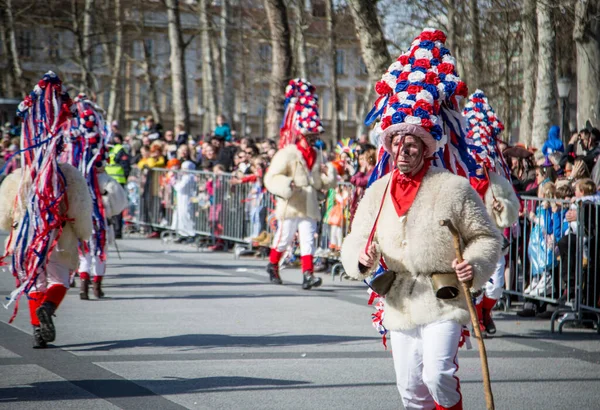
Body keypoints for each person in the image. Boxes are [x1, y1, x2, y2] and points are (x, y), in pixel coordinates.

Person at [341, 30, 501, 409]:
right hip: (398, 298)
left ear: (428, 147)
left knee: (437, 375)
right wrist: (359, 260)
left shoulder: (452, 187)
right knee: (411, 389)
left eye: (413, 142)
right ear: (389, 146)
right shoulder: (377, 191)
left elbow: (487, 238)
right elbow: (354, 239)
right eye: (397, 142)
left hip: (443, 296)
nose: (404, 149)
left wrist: (474, 266)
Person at [0, 72, 93, 348]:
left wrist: (14, 228)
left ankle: (38, 330)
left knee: (34, 281)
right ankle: (48, 311)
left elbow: (4, 215)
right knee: (59, 280)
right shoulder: (69, 175)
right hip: (59, 236)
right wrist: (82, 233)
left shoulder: (18, 176)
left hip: (26, 237)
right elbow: (80, 210)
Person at [264, 78, 337, 289]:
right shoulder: (287, 153)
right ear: (302, 134)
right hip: (291, 203)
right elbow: (270, 178)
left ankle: (308, 275)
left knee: (308, 239)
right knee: (284, 237)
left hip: (309, 202)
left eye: (316, 134)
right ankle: (273, 265)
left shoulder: (316, 154)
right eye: (311, 135)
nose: (315, 138)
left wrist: (328, 173)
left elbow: (320, 183)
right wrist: (287, 184)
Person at [463, 90, 520, 335]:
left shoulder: (498, 181)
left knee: (495, 286)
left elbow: (514, 207)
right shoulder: (461, 178)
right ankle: (477, 320)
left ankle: (486, 310)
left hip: (494, 241)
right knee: (473, 284)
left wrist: (503, 208)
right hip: (470, 242)